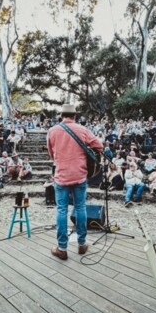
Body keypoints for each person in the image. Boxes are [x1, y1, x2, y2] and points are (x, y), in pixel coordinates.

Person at [47, 103, 103, 261]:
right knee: (80, 207)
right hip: (79, 175)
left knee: (62, 210)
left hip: (62, 176)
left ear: (61, 115)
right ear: (75, 116)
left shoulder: (52, 131)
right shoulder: (82, 130)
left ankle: (62, 248)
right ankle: (82, 244)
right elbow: (99, 146)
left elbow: (51, 155)